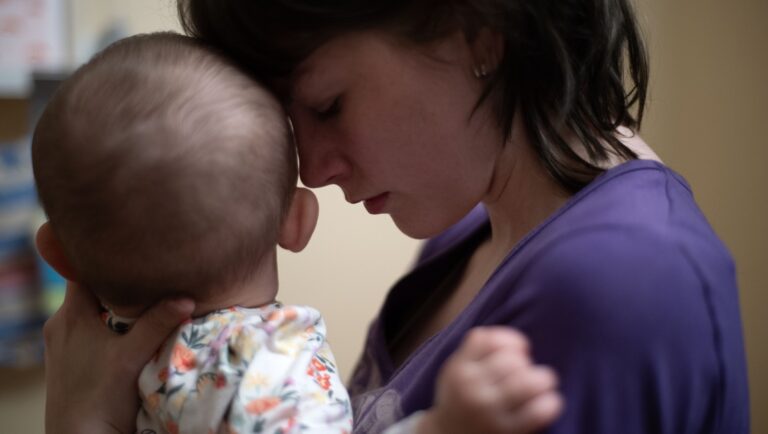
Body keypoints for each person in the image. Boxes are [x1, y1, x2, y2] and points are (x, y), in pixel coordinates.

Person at [42, 0, 751, 432]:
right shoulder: (468, 229)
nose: (309, 170)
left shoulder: (622, 283)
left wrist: (82, 423)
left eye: (327, 106)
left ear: (476, 26)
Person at [34, 32, 561, 434]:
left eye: (329, 106)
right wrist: (441, 427)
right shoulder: (263, 365)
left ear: (57, 254)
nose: (318, 168)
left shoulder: (107, 368)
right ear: (297, 220)